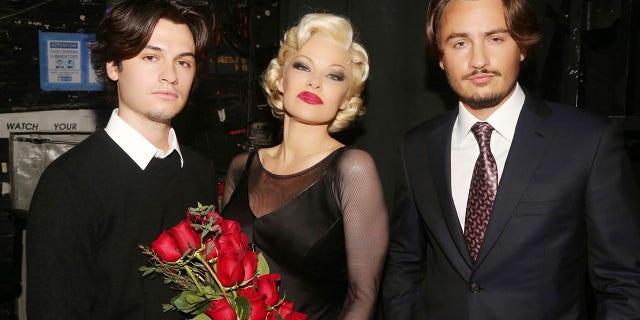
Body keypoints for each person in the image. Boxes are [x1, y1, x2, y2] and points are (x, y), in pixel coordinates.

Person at [382, 0, 640, 319]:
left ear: (521, 46)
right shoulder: (417, 146)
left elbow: (623, 283)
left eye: (496, 38)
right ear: (440, 58)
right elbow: (404, 265)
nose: (479, 60)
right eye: (460, 42)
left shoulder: (589, 141)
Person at [26, 1, 216, 319]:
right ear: (114, 66)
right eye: (151, 57)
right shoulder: (69, 184)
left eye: (183, 62)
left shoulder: (200, 172)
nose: (169, 75)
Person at [221, 13, 389, 319]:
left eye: (334, 75)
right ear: (280, 79)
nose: (315, 81)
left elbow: (363, 296)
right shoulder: (240, 168)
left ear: (345, 98)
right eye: (303, 66)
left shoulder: (352, 169)